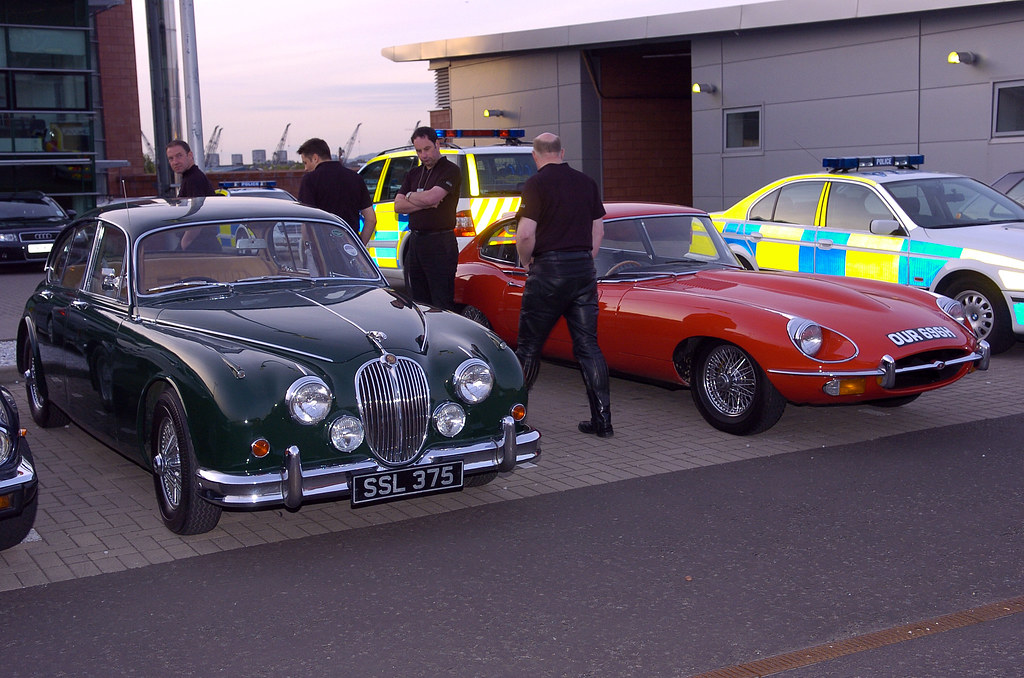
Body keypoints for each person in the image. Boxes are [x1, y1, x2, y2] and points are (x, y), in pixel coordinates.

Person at [515, 132, 612, 437]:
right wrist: (585, 257)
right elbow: (599, 230)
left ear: (535, 155)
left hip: (548, 272)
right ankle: (603, 421)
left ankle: (515, 422)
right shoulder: (586, 182)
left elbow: (526, 234)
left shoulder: (536, 184)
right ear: (562, 151)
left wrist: (526, 261)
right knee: (588, 347)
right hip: (583, 271)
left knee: (529, 348)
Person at [394, 126, 461, 310]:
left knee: (440, 301)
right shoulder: (414, 173)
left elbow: (433, 198)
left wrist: (410, 196)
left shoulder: (450, 170)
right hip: (415, 242)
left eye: (427, 149)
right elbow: (398, 206)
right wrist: (419, 200)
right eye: (418, 151)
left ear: (437, 144)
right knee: (417, 301)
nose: (423, 155)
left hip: (440, 243)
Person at [297, 137, 377, 245]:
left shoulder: (309, 180)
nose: (305, 168)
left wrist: (308, 246)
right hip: (350, 248)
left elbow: (306, 222)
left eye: (305, 162)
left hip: (322, 249)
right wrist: (359, 247)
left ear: (315, 158)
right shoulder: (355, 178)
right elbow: (371, 219)